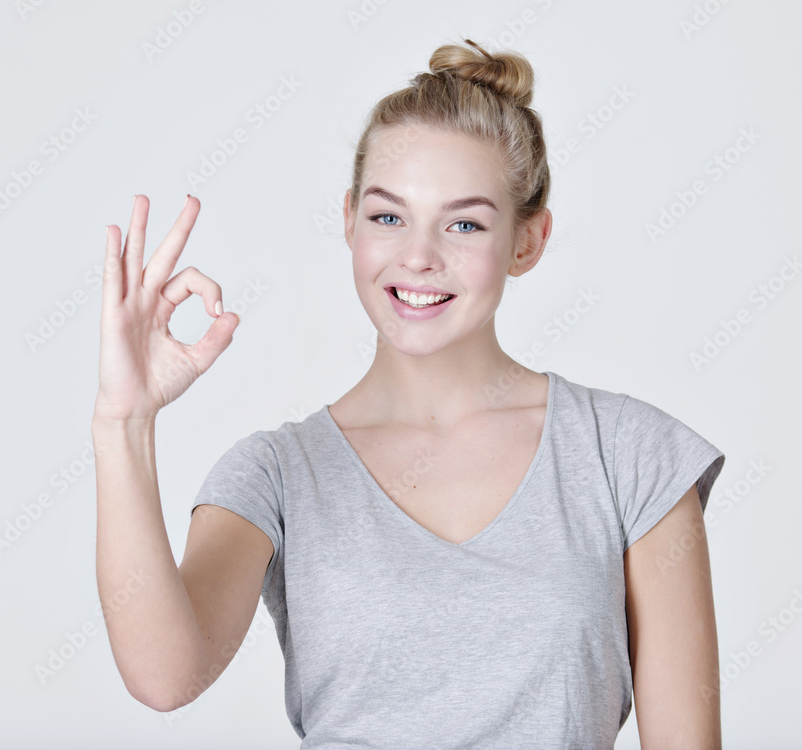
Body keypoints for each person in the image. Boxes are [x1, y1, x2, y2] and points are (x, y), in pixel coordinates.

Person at [91, 37, 726, 749]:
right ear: (349, 219)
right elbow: (163, 676)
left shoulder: (631, 456)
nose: (418, 256)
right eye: (388, 216)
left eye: (464, 223)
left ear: (528, 241)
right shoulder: (275, 475)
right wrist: (124, 422)